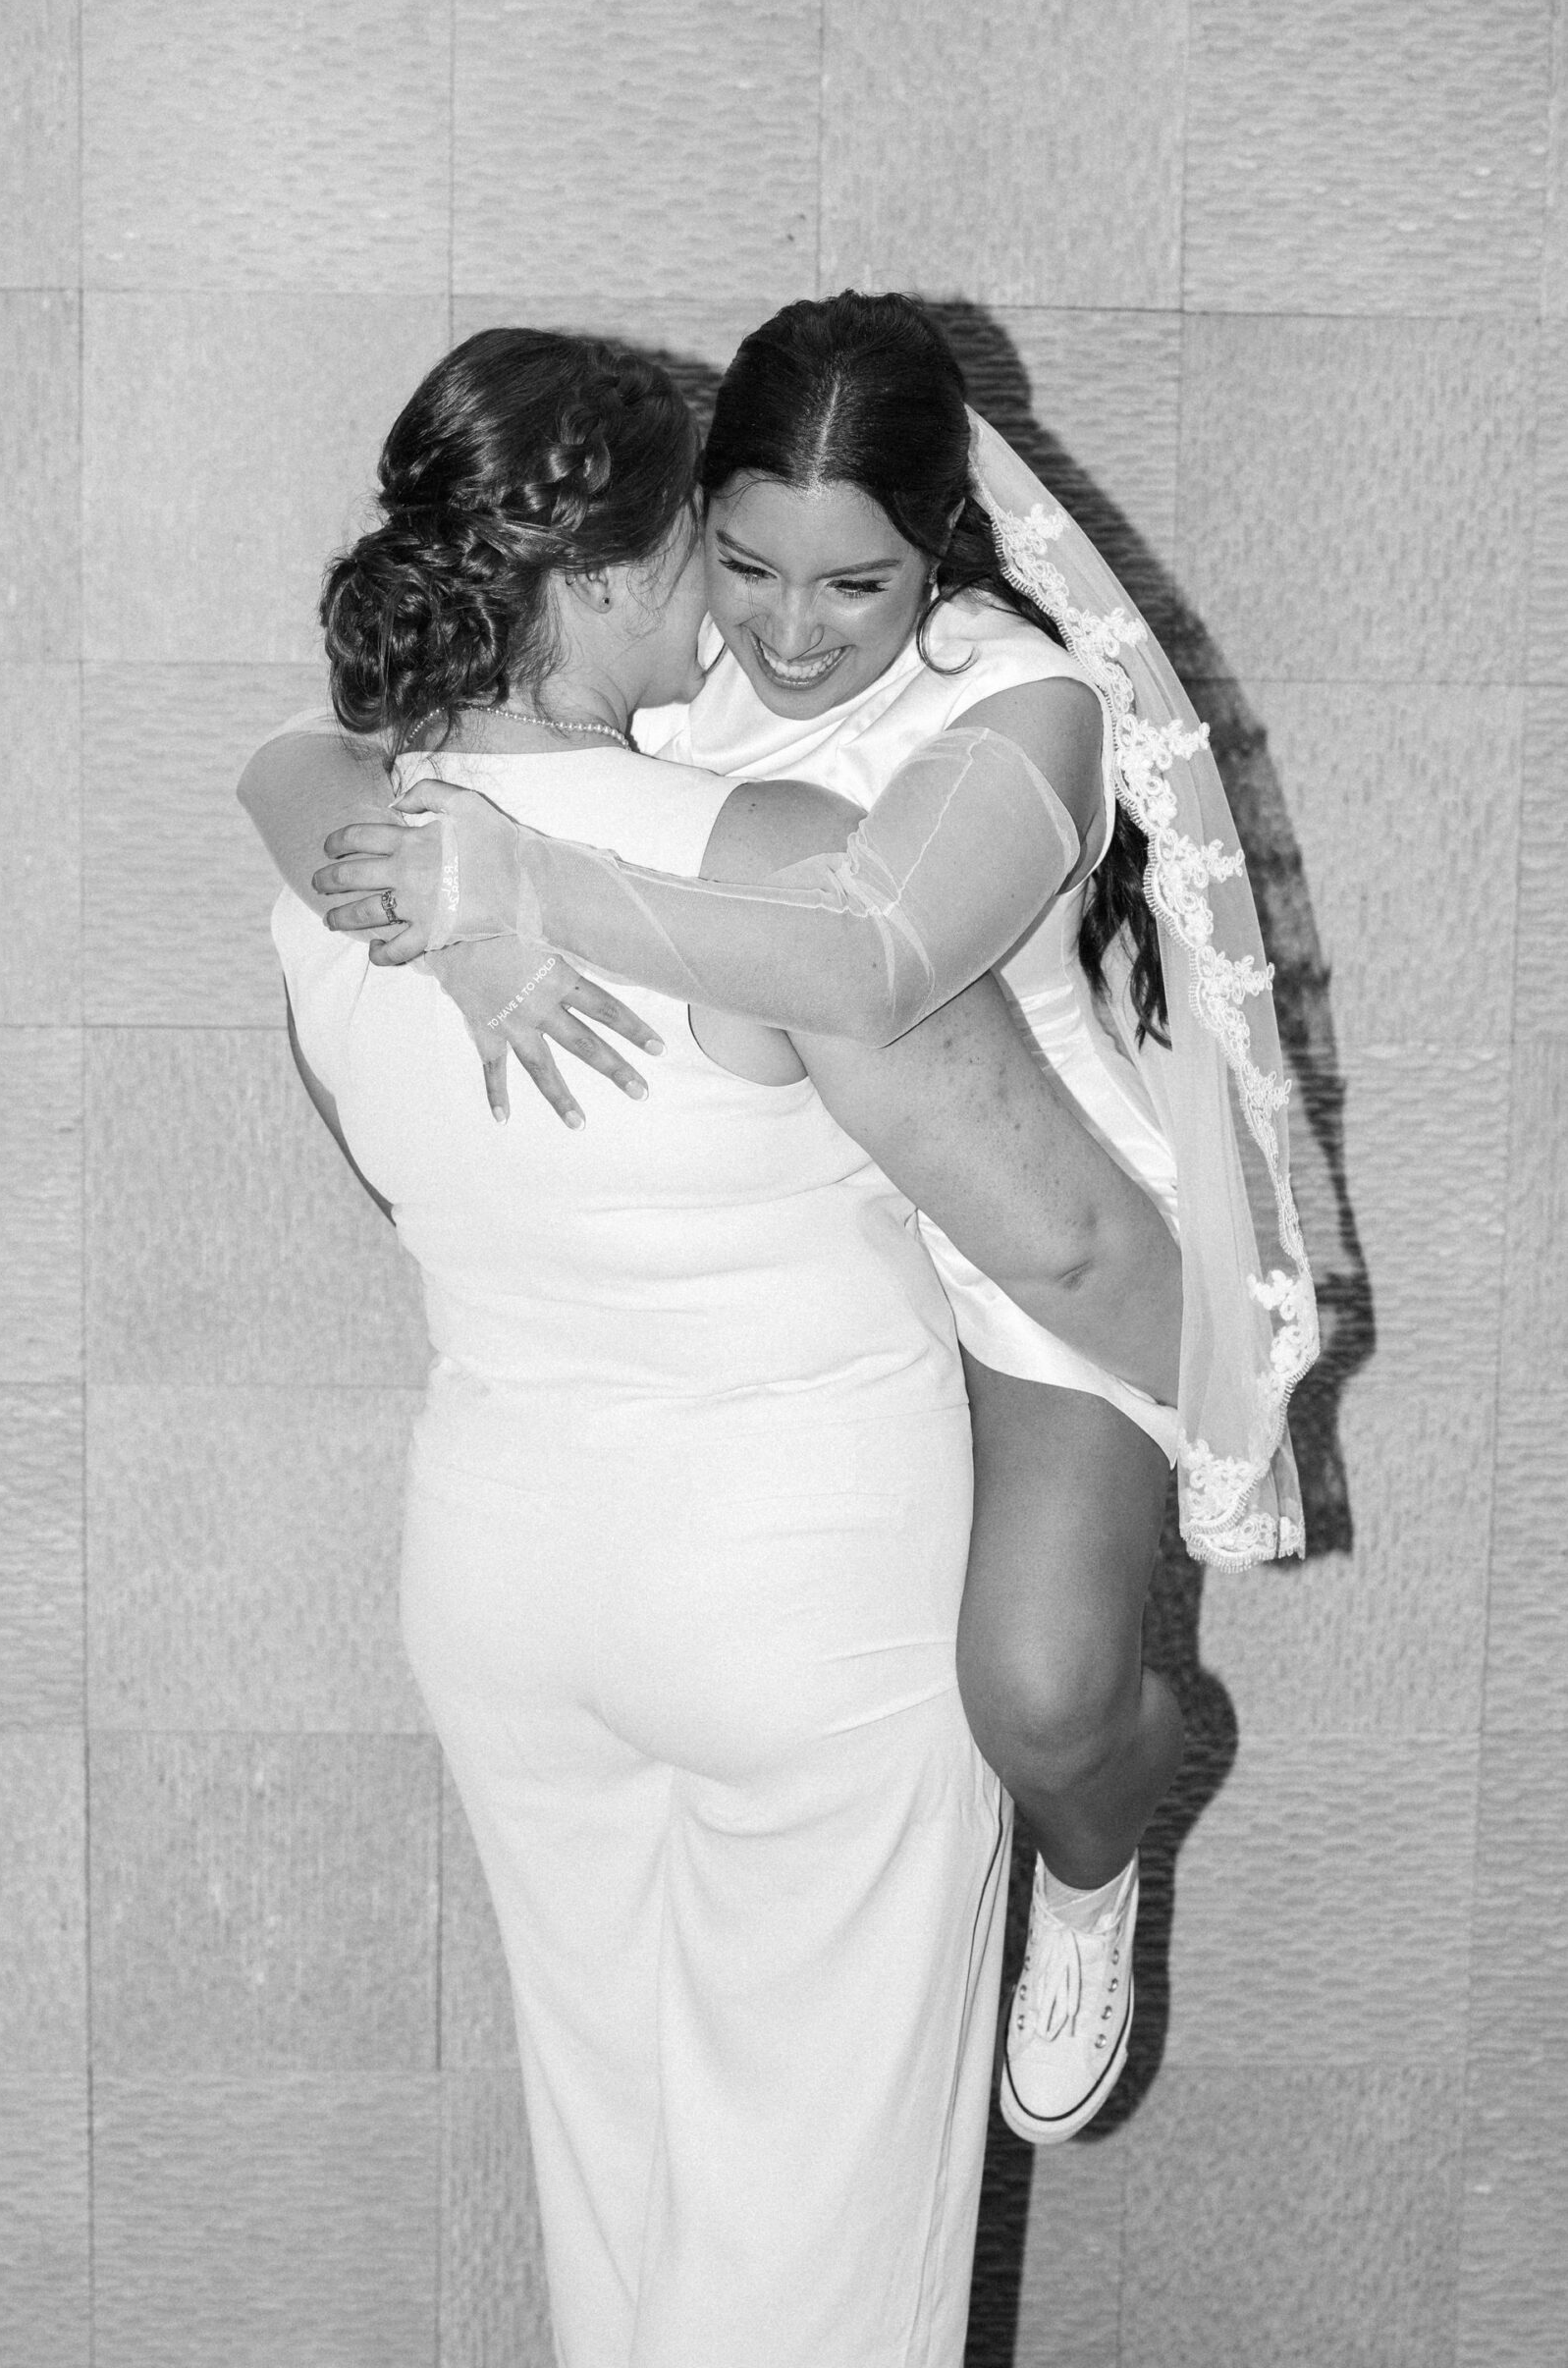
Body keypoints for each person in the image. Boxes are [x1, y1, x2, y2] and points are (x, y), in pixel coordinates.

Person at [248, 326, 1183, 2363]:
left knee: (624, 2196)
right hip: (792, 1575)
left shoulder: (344, 869)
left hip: (503, 1572)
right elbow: (1046, 1212)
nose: (747, 618)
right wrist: (1217, 1382)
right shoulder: (763, 856)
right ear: (597, 582)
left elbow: (378, 1114)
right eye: (706, 559)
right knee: (818, 2257)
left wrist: (504, 876)